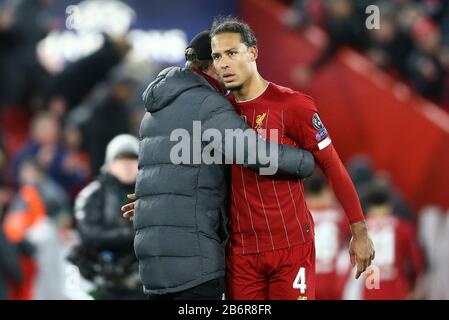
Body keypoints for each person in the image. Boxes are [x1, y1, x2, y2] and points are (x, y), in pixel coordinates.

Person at [122, 30, 315, 300]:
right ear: (213, 64)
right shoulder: (207, 103)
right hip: (193, 264)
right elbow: (254, 153)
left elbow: (176, 174)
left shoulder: (155, 111)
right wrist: (306, 159)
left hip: (154, 267)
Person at [209, 16, 375, 300]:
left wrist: (359, 231)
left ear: (253, 53)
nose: (223, 63)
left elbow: (332, 165)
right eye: (217, 56)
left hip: (291, 248)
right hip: (241, 253)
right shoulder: (217, 114)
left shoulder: (292, 105)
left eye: (232, 53)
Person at [70, 134, 145, 300]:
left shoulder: (152, 193)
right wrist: (134, 234)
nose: (127, 165)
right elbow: (89, 234)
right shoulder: (92, 194)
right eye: (121, 159)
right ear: (109, 163)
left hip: (146, 281)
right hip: (105, 283)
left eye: (132, 158)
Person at [340, 181, 424, 300]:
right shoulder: (403, 228)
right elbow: (416, 264)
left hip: (368, 291)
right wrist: (412, 288)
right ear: (390, 203)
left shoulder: (357, 229)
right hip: (396, 292)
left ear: (367, 204)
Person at [304, 173, 348, 300]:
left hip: (306, 279)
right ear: (325, 190)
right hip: (333, 280)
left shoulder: (300, 215)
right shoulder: (338, 214)